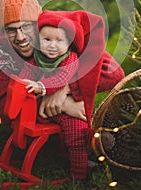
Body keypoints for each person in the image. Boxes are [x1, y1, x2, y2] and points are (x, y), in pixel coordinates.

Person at [0, 0, 125, 127]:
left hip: (53, 85)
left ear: (38, 23)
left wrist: (64, 90)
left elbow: (115, 74)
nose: (20, 37)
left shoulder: (55, 34)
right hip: (28, 93)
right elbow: (5, 105)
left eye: (26, 27)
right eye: (10, 30)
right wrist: (63, 104)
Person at [19, 10, 89, 179]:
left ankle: (79, 173)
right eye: (46, 40)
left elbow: (61, 77)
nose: (52, 45)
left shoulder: (70, 58)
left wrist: (41, 86)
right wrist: (23, 84)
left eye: (59, 40)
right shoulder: (36, 58)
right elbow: (24, 76)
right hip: (42, 106)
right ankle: (57, 155)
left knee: (76, 131)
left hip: (64, 107)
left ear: (69, 42)